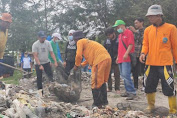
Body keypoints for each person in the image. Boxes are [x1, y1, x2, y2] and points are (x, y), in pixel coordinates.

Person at [139, 4, 177, 115]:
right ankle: (151, 106)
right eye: (149, 16)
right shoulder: (147, 30)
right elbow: (145, 44)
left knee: (169, 87)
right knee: (149, 86)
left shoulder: (171, 28)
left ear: (159, 15)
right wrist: (143, 53)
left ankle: (173, 110)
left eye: (152, 16)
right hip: (150, 63)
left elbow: (175, 46)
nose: (149, 18)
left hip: (165, 63)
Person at [73, 31, 111, 108]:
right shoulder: (89, 43)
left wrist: (76, 65)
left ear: (75, 39)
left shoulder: (80, 42)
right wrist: (82, 65)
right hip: (107, 58)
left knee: (95, 82)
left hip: (99, 60)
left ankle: (97, 104)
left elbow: (78, 56)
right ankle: (104, 102)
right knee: (102, 81)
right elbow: (89, 58)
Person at [112, 20, 136, 100]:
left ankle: (132, 92)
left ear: (122, 25)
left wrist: (126, 53)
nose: (117, 29)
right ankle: (127, 91)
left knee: (126, 75)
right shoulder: (120, 35)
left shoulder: (129, 33)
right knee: (123, 75)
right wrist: (118, 56)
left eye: (118, 27)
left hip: (127, 58)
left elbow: (130, 44)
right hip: (121, 58)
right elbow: (120, 47)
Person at [129, 18, 145, 89]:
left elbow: (143, 40)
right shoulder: (136, 32)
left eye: (137, 23)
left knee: (144, 70)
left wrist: (135, 31)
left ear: (142, 23)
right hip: (135, 53)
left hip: (143, 53)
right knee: (135, 70)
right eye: (135, 23)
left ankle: (145, 85)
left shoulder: (146, 30)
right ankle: (135, 86)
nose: (135, 24)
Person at [104, 27, 120, 93]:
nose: (109, 36)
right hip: (108, 59)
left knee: (117, 74)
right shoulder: (107, 41)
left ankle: (117, 88)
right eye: (107, 35)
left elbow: (121, 50)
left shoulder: (118, 40)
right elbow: (103, 50)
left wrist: (118, 57)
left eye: (109, 35)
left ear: (113, 33)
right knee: (108, 74)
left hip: (117, 59)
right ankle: (109, 87)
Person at [0, 13, 12, 79]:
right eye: (7, 23)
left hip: (0, 56)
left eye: (9, 23)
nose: (8, 25)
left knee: (0, 75)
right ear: (2, 21)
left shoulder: (6, 30)